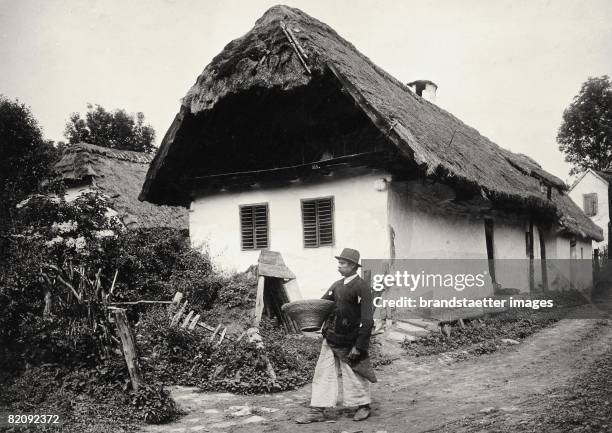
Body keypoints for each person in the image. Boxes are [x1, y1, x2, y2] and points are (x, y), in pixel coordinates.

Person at [295, 248, 375, 424]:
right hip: (331, 337)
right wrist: (310, 319)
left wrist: (359, 346)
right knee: (323, 372)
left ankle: (363, 405)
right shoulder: (336, 285)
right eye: (339, 262)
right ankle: (318, 409)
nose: (339, 266)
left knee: (353, 372)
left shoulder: (362, 287)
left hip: (351, 339)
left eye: (343, 263)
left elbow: (367, 320)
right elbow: (322, 306)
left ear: (353, 266)